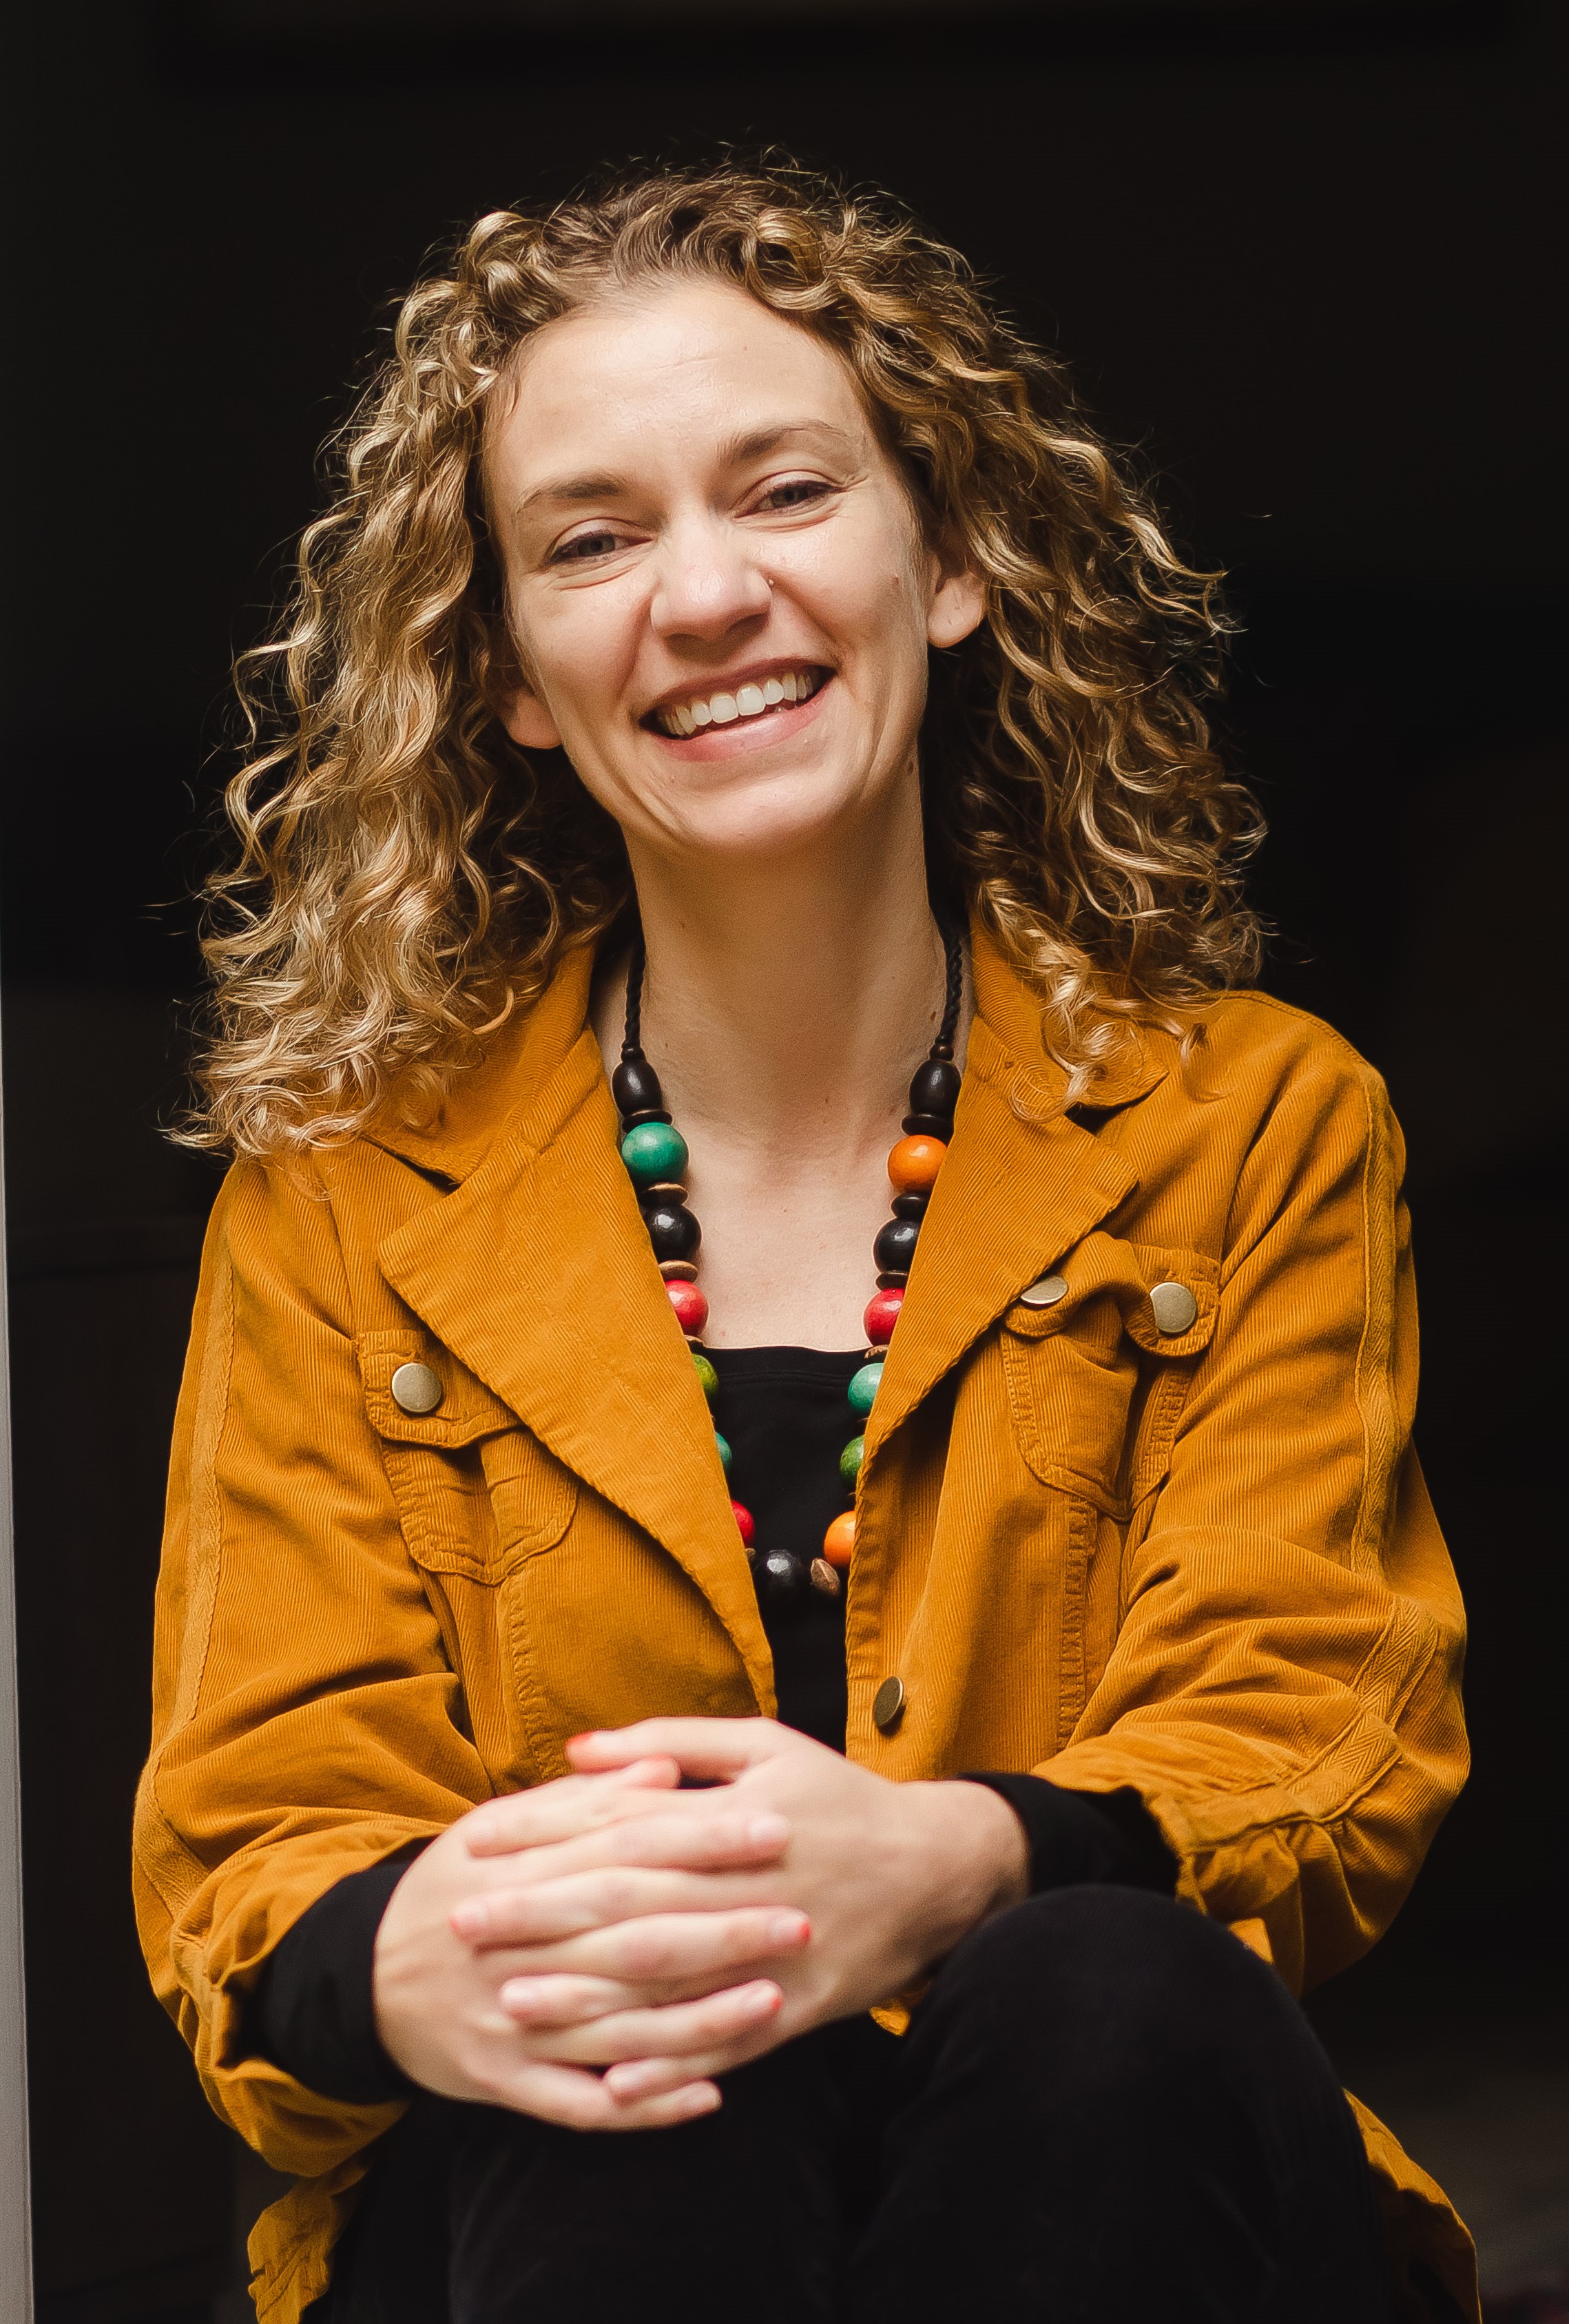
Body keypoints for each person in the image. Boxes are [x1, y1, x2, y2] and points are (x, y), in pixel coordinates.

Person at [134, 161, 1477, 2324]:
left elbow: (1311, 1732)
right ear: (508, 678)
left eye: (782, 492)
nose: (703, 594)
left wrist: (956, 1861)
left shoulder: (1255, 1120)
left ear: (945, 559)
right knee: (649, 2066)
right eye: (592, 539)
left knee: (1093, 1987)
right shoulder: (343, 1190)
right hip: (563, 2210)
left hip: (1115, 2161)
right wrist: (414, 1964)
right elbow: (254, 1837)